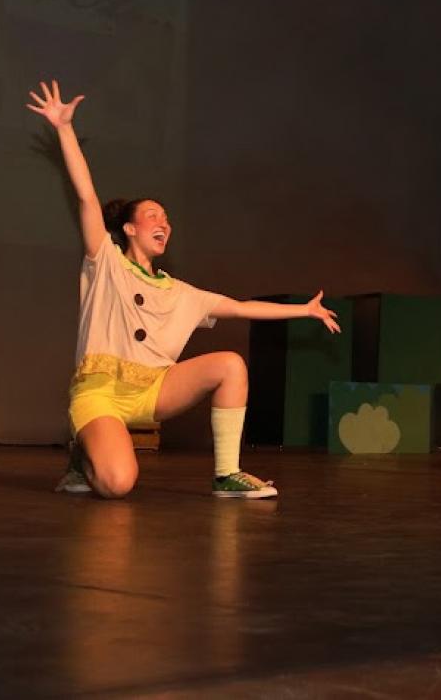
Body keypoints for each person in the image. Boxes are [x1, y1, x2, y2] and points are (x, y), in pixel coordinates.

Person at [28, 80, 340, 499]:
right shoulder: (105, 262)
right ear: (129, 228)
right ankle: (83, 456)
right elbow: (86, 197)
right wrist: (64, 128)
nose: (164, 223)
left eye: (167, 219)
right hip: (100, 392)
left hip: (153, 390)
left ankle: (227, 474)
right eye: (153, 216)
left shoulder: (181, 292)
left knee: (230, 364)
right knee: (117, 484)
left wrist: (304, 311)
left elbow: (242, 307)